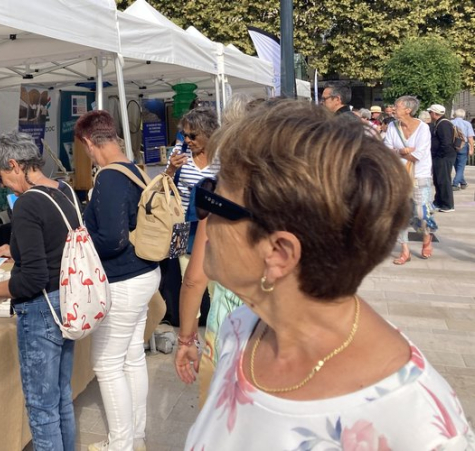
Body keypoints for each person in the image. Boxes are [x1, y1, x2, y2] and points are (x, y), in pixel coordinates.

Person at [184, 99, 475, 449]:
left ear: (278, 253)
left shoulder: (420, 429)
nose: (203, 218)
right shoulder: (240, 330)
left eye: (212, 200)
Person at [0, 131, 79, 451]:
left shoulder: (28, 204)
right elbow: (59, 246)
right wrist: (18, 251)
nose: (3, 186)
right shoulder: (63, 190)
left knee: (42, 409)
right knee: (61, 399)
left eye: (0, 178)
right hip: (67, 302)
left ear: (13, 164)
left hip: (42, 311)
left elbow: (32, 280)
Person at [75, 110, 161, 451]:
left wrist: (80, 232)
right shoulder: (133, 168)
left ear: (86, 141)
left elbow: (112, 240)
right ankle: (135, 434)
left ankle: (121, 444)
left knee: (107, 365)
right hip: (145, 274)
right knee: (131, 357)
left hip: (123, 280)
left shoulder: (109, 178)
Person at [173, 96, 263, 408]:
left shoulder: (221, 196)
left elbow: (195, 280)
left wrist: (186, 339)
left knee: (222, 419)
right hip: (281, 329)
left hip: (229, 328)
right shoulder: (299, 198)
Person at [164, 107, 221, 276]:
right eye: (184, 134)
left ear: (208, 133)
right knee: (187, 277)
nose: (187, 139)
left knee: (214, 279)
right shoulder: (179, 153)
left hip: (214, 226)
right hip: (182, 225)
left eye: (193, 135)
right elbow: (164, 186)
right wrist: (171, 170)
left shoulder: (222, 156)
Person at [383, 96, 435, 263]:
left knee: (421, 213)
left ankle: (426, 235)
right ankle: (405, 251)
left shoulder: (423, 128)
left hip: (420, 175)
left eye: (397, 106)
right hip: (398, 175)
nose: (393, 108)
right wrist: (402, 151)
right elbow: (386, 149)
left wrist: (399, 151)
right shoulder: (392, 126)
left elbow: (418, 155)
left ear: (408, 110)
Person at [427, 104, 456, 212]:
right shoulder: (440, 123)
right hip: (442, 156)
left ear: (435, 113)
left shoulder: (443, 124)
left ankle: (447, 204)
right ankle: (439, 201)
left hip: (444, 157)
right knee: (438, 180)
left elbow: (446, 143)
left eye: (430, 112)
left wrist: (439, 155)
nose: (430, 114)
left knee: (443, 180)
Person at [451, 108, 475, 190]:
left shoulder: (450, 123)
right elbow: (470, 137)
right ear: (463, 115)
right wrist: (472, 148)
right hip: (463, 145)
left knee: (456, 165)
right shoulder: (467, 123)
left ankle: (463, 183)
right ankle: (455, 184)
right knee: (461, 166)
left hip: (453, 146)